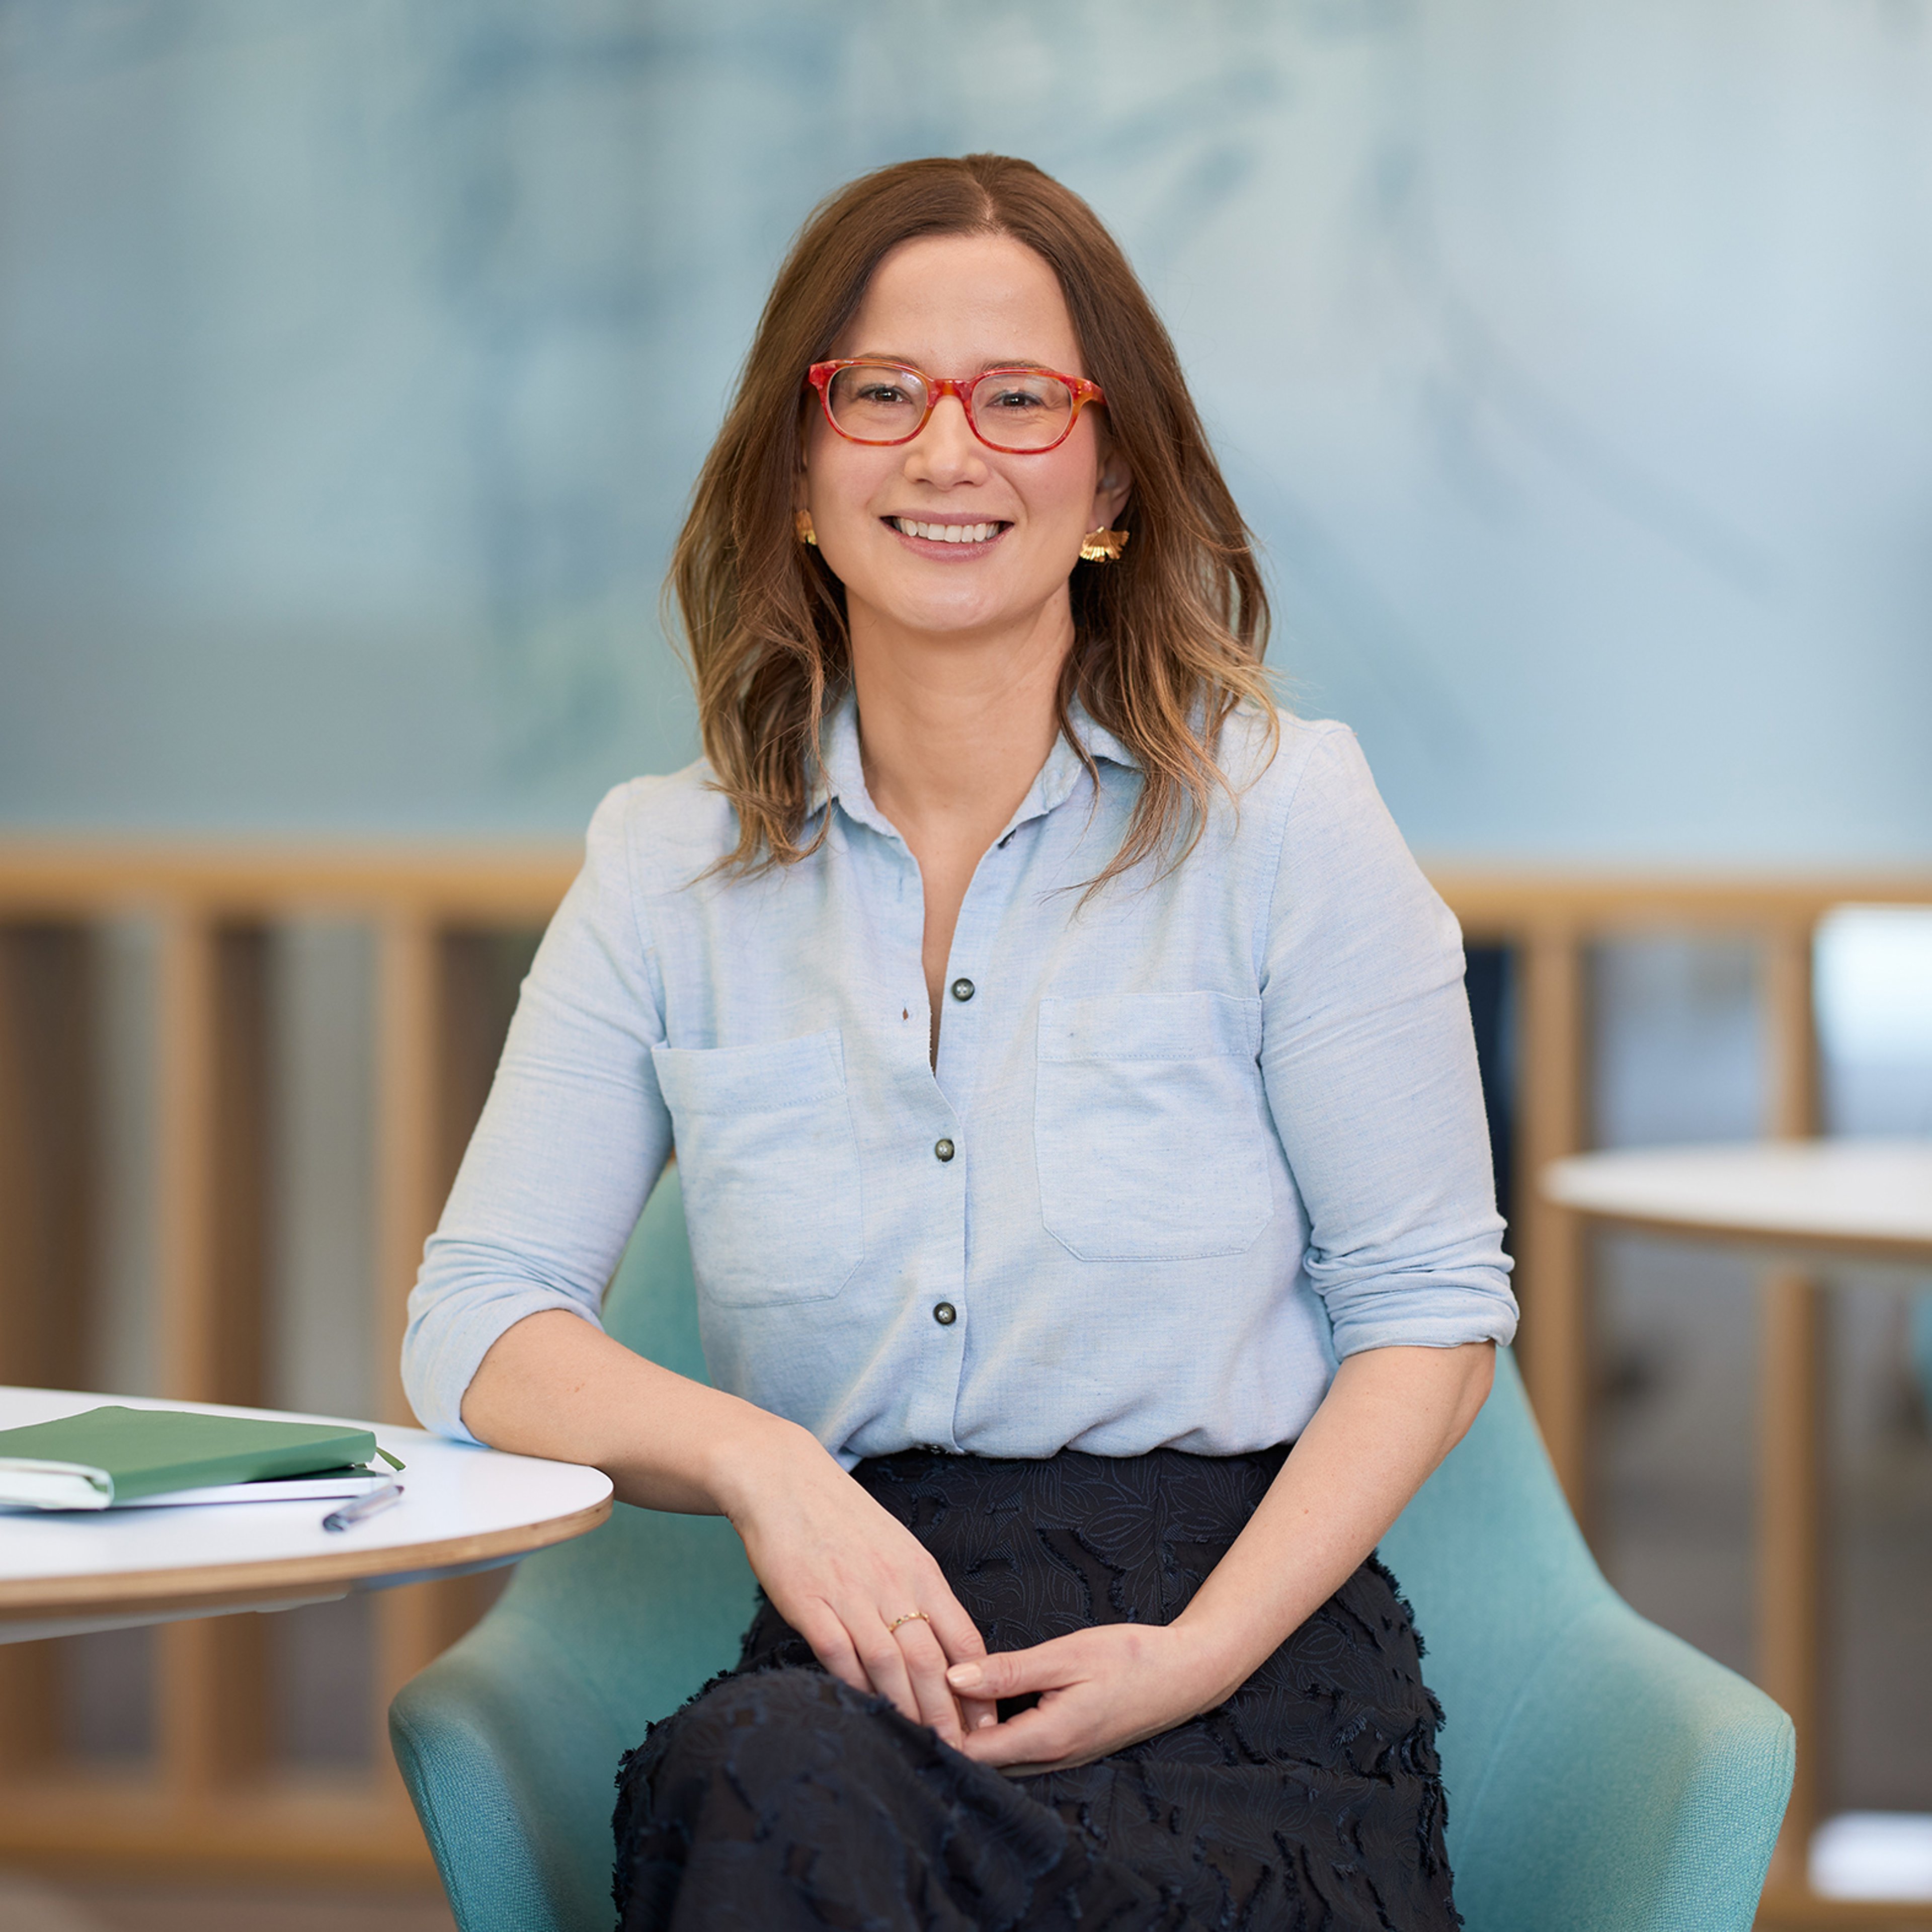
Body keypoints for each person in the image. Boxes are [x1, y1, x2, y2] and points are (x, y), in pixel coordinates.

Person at [403, 152, 1517, 1932]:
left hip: (1235, 1688)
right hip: (861, 1689)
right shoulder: (662, 866)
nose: (947, 452)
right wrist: (768, 1468)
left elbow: (1433, 1320)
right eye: (882, 394)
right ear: (797, 465)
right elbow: (476, 1322)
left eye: (1019, 400)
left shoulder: (1286, 818)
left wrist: (1196, 1650)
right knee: (766, 1792)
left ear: (1111, 478)